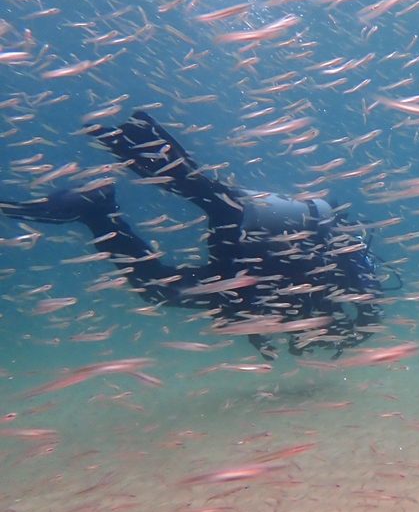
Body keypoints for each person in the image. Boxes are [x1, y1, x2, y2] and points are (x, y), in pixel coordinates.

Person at [1, 110, 389, 360]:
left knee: (164, 280)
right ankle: (136, 151)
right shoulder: (350, 279)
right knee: (214, 200)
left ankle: (98, 209)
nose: (307, 345)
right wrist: (353, 334)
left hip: (245, 269)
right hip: (266, 242)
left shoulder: (304, 302)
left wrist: (260, 327)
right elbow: (368, 305)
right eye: (319, 339)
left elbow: (261, 308)